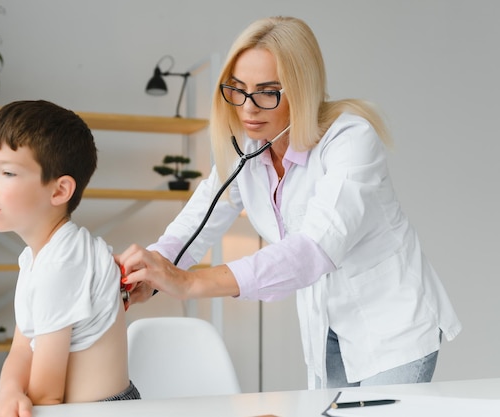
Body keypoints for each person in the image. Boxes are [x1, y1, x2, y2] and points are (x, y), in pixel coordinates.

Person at [117, 16, 462, 389]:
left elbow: (311, 250)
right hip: (325, 326)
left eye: (267, 92)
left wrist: (190, 283)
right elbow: (194, 225)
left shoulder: (350, 140)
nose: (248, 108)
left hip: (392, 326)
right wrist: (148, 273)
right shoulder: (245, 153)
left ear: (302, 89)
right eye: (238, 89)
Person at [0, 100, 140, 417]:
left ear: (59, 191)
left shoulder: (61, 263)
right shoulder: (37, 257)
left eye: (7, 172)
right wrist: (8, 393)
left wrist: (16, 401)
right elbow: (23, 347)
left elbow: (47, 394)